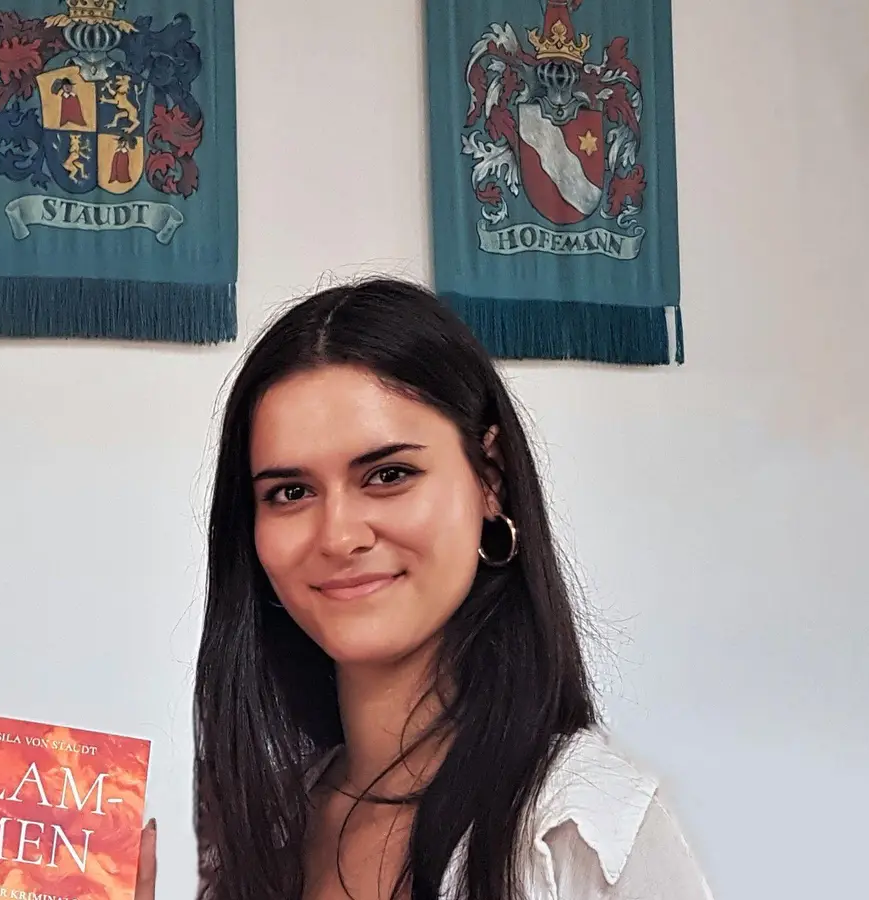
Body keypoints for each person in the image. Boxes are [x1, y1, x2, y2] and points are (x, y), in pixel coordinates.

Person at [190, 277, 713, 900]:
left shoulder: (581, 825)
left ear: (489, 478)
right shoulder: (266, 834)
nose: (339, 536)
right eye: (291, 492)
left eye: (388, 475)